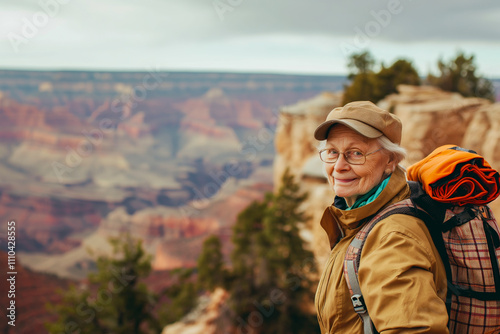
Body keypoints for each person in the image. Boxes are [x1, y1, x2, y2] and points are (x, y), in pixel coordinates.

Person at [313, 101, 449, 333]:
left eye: (356, 153)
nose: (339, 166)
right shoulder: (361, 217)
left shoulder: (393, 239)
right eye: (333, 152)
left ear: (390, 161)